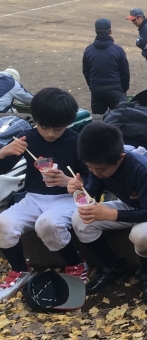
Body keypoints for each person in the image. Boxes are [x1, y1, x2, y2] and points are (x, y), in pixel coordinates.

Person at [68, 122, 147, 303]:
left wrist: (110, 215)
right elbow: (92, 193)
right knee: (80, 219)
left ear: (120, 157)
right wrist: (78, 191)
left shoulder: (141, 169)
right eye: (90, 168)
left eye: (101, 170)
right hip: (129, 204)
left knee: (142, 235)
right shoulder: (98, 164)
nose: (95, 172)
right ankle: (113, 266)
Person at [0, 88, 89, 301]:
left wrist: (69, 182)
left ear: (68, 123)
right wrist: (3, 152)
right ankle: (20, 269)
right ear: (35, 120)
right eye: (43, 126)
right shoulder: (26, 139)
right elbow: (3, 168)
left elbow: (94, 178)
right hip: (33, 198)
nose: (49, 134)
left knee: (48, 224)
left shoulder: (78, 142)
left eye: (57, 128)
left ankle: (75, 263)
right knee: (3, 223)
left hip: (68, 199)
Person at [82, 18, 130, 114]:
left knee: (98, 118)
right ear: (110, 31)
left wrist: (92, 86)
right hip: (115, 88)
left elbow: (86, 72)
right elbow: (125, 72)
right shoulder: (118, 50)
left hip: (96, 89)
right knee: (120, 117)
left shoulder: (88, 50)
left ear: (96, 31)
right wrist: (123, 89)